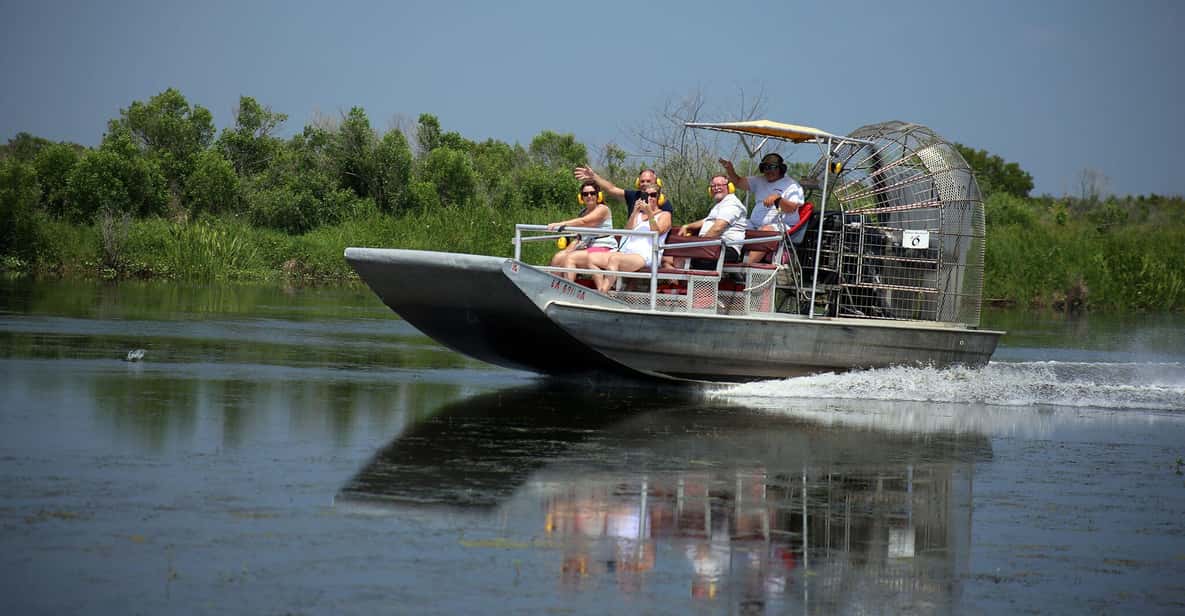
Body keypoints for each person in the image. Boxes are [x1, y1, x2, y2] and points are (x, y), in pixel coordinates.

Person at [719, 152, 806, 262]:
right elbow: (738, 182)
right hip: (755, 224)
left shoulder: (792, 185)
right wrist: (730, 170)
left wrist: (778, 199)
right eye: (766, 167)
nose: (769, 171)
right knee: (733, 224)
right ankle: (726, 260)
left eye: (773, 167)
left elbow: (792, 208)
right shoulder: (759, 180)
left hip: (782, 226)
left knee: (765, 231)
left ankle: (746, 267)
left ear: (781, 169)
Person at [587, 182, 671, 293]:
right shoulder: (639, 215)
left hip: (645, 257)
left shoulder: (665, 215)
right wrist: (634, 212)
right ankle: (602, 292)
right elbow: (626, 233)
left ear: (658, 198)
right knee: (591, 259)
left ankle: (602, 293)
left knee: (614, 259)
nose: (650, 198)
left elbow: (656, 232)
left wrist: (650, 214)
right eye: (646, 195)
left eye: (653, 195)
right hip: (627, 253)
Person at [675, 175, 748, 270]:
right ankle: (678, 283)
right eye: (713, 186)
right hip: (713, 246)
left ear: (729, 187)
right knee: (677, 253)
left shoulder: (732, 204)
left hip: (726, 248)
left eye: (720, 185)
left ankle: (690, 283)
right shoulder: (721, 204)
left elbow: (718, 227)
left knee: (689, 255)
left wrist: (700, 244)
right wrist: (687, 226)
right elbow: (706, 221)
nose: (716, 188)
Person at [547, 181, 615, 281]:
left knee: (570, 258)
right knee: (559, 257)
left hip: (604, 248)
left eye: (592, 193)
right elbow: (579, 237)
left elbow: (585, 222)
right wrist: (566, 251)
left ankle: (567, 289)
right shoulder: (582, 213)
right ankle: (553, 285)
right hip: (588, 248)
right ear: (581, 197)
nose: (589, 196)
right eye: (585, 194)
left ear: (598, 196)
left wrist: (561, 224)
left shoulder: (603, 209)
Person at [573, 166, 675, 221]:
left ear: (657, 182)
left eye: (648, 181)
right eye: (642, 181)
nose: (645, 184)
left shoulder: (663, 202)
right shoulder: (633, 196)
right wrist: (594, 176)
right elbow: (611, 189)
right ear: (638, 183)